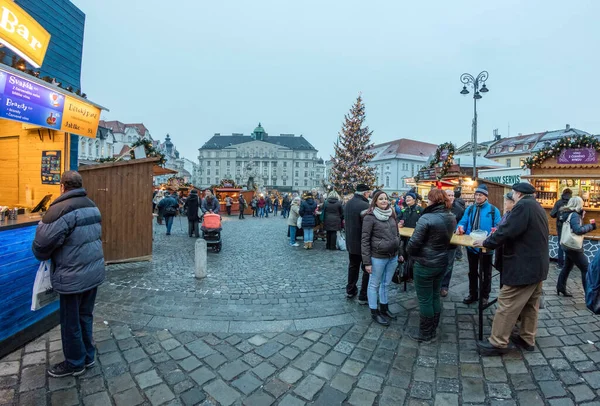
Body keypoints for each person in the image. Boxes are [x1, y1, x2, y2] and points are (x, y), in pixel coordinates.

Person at [31, 171, 105, 377]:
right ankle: (88, 356)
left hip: (72, 275)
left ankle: (75, 362)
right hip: (92, 271)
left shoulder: (59, 210)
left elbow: (41, 246)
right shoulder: (91, 205)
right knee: (85, 316)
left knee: (70, 321)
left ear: (62, 186)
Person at [476, 182, 549, 355]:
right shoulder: (536, 206)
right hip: (538, 266)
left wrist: (487, 242)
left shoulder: (522, 206)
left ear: (517, 194)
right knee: (531, 305)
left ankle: (498, 343)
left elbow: (507, 230)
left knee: (507, 303)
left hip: (523, 266)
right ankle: (526, 339)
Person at [406, 189, 456, 342]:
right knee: (434, 295)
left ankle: (426, 333)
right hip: (441, 262)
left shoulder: (427, 217)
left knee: (425, 299)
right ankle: (433, 327)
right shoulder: (451, 216)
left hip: (425, 263)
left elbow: (413, 244)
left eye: (428, 199)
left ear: (433, 200)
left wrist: (411, 253)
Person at [456, 184, 501, 306]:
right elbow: (463, 221)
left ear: (486, 196)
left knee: (486, 273)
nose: (478, 197)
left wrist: (494, 233)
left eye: (480, 195)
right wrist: (459, 227)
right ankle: (473, 294)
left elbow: (498, 226)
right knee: (472, 271)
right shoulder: (470, 209)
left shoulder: (493, 210)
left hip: (486, 247)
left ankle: (485, 296)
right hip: (471, 246)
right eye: (476, 195)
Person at [361, 190, 400, 326]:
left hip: (392, 256)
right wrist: (367, 262)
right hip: (377, 257)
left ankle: (384, 308)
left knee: (386, 283)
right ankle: (374, 311)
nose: (384, 201)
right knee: (374, 284)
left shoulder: (392, 214)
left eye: (386, 198)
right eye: (381, 199)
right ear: (375, 201)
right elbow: (365, 240)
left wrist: (399, 251)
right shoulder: (369, 217)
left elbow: (397, 234)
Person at [556, 196, 597, 296]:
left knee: (567, 266)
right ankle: (589, 294)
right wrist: (591, 226)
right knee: (585, 268)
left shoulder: (567, 213)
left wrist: (581, 217)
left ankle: (560, 287)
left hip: (566, 244)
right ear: (579, 204)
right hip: (573, 246)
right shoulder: (574, 215)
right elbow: (577, 230)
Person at [344, 184, 372, 304]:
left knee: (353, 266)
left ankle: (350, 290)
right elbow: (368, 225)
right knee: (366, 269)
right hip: (363, 243)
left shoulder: (348, 203)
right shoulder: (365, 205)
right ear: (365, 193)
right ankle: (363, 295)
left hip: (351, 241)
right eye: (369, 193)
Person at [440, 189, 465, 297]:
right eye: (448, 195)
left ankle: (444, 286)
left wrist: (460, 229)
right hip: (439, 242)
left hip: (452, 242)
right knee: (439, 264)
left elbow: (462, 223)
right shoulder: (439, 207)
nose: (450, 197)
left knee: (449, 265)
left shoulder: (458, 209)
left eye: (452, 195)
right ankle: (437, 285)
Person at [398, 191, 423, 281]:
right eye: (406, 197)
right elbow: (398, 219)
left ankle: (413, 274)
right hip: (405, 237)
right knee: (404, 254)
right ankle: (406, 273)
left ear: (414, 200)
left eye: (409, 197)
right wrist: (399, 224)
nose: (407, 199)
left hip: (416, 237)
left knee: (414, 255)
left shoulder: (419, 209)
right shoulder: (404, 210)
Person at [493, 192, 516, 274]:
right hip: (502, 251)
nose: (505, 202)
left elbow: (505, 232)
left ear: (513, 203)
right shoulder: (507, 213)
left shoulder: (513, 216)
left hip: (507, 253)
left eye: (506, 200)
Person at [550, 188, 573, 269]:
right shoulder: (573, 202)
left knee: (561, 244)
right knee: (569, 244)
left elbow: (552, 214)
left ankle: (560, 264)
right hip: (571, 226)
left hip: (560, 225)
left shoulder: (559, 202)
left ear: (563, 193)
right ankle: (568, 264)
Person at [453, 189, 466, 261]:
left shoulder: (456, 203)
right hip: (460, 220)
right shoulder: (462, 201)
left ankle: (458, 255)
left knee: (456, 238)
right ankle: (459, 254)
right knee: (457, 238)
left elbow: (458, 212)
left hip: (457, 221)